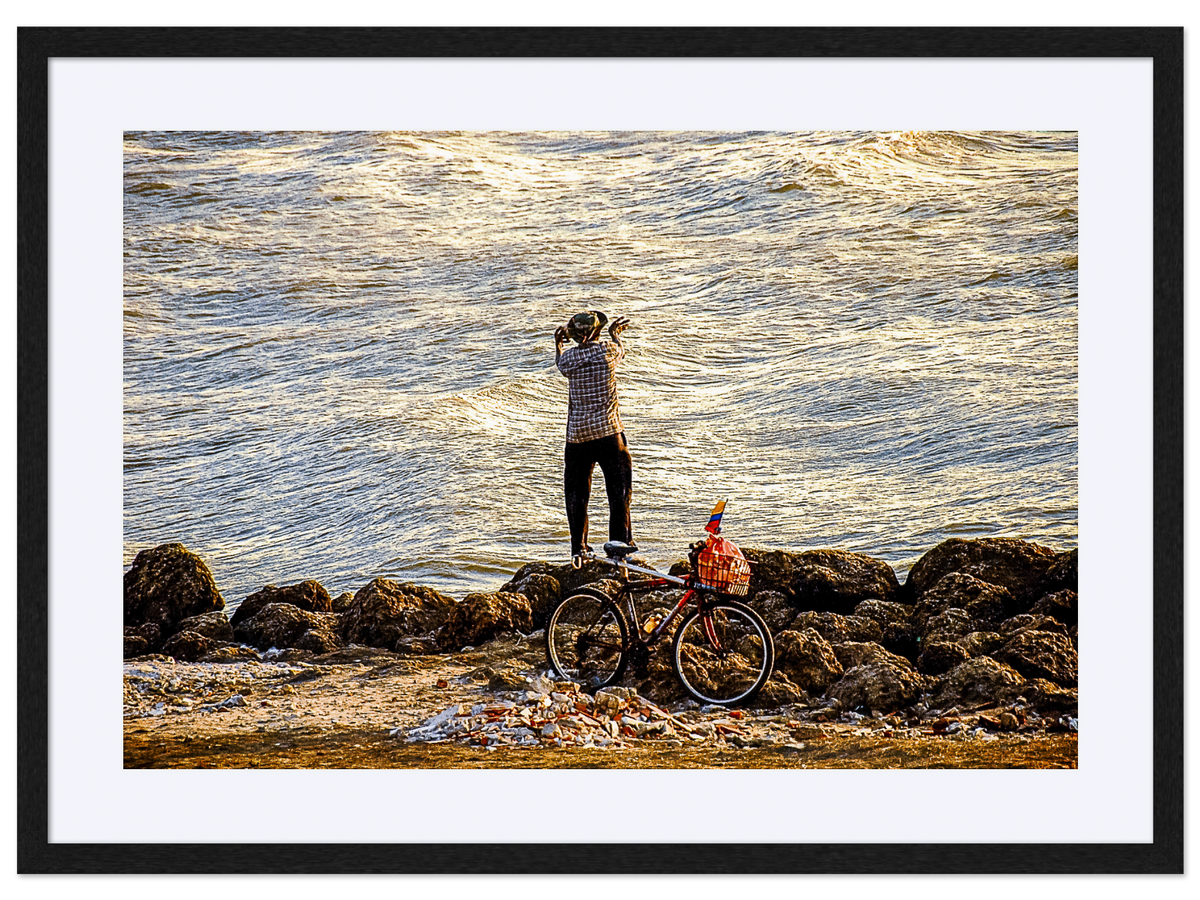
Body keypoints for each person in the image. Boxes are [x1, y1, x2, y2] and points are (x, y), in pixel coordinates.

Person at [555, 309, 635, 561]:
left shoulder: (568, 360)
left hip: (578, 437)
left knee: (576, 495)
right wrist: (615, 335)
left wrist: (558, 344)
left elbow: (560, 362)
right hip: (609, 433)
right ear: (597, 332)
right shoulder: (608, 352)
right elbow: (620, 349)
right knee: (619, 491)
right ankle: (620, 547)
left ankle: (579, 549)